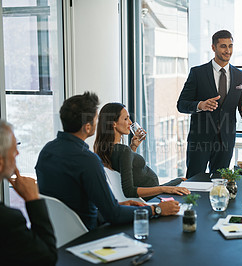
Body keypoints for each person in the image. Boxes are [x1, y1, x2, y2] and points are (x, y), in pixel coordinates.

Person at [36, 92, 179, 231]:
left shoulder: (46, 152)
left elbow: (73, 201)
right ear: (87, 127)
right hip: (88, 232)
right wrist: (156, 209)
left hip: (62, 231)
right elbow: (113, 215)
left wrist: (120, 204)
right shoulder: (88, 161)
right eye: (95, 119)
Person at [177, 30, 242, 178]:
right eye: (223, 46)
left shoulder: (240, 76)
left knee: (220, 184)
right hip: (200, 140)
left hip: (226, 141)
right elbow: (181, 104)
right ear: (213, 48)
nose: (228, 50)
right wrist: (200, 105)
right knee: (194, 181)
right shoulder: (197, 73)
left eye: (230, 46)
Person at [93, 102, 190, 199]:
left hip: (155, 192)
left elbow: (129, 167)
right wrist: (164, 189)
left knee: (182, 180)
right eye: (126, 119)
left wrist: (133, 147)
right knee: (185, 182)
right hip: (152, 197)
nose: (130, 122)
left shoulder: (110, 149)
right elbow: (129, 190)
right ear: (114, 124)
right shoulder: (123, 150)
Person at [0, 120, 57, 265]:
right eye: (14, 149)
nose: (18, 153)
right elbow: (47, 258)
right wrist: (32, 199)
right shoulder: (9, 221)